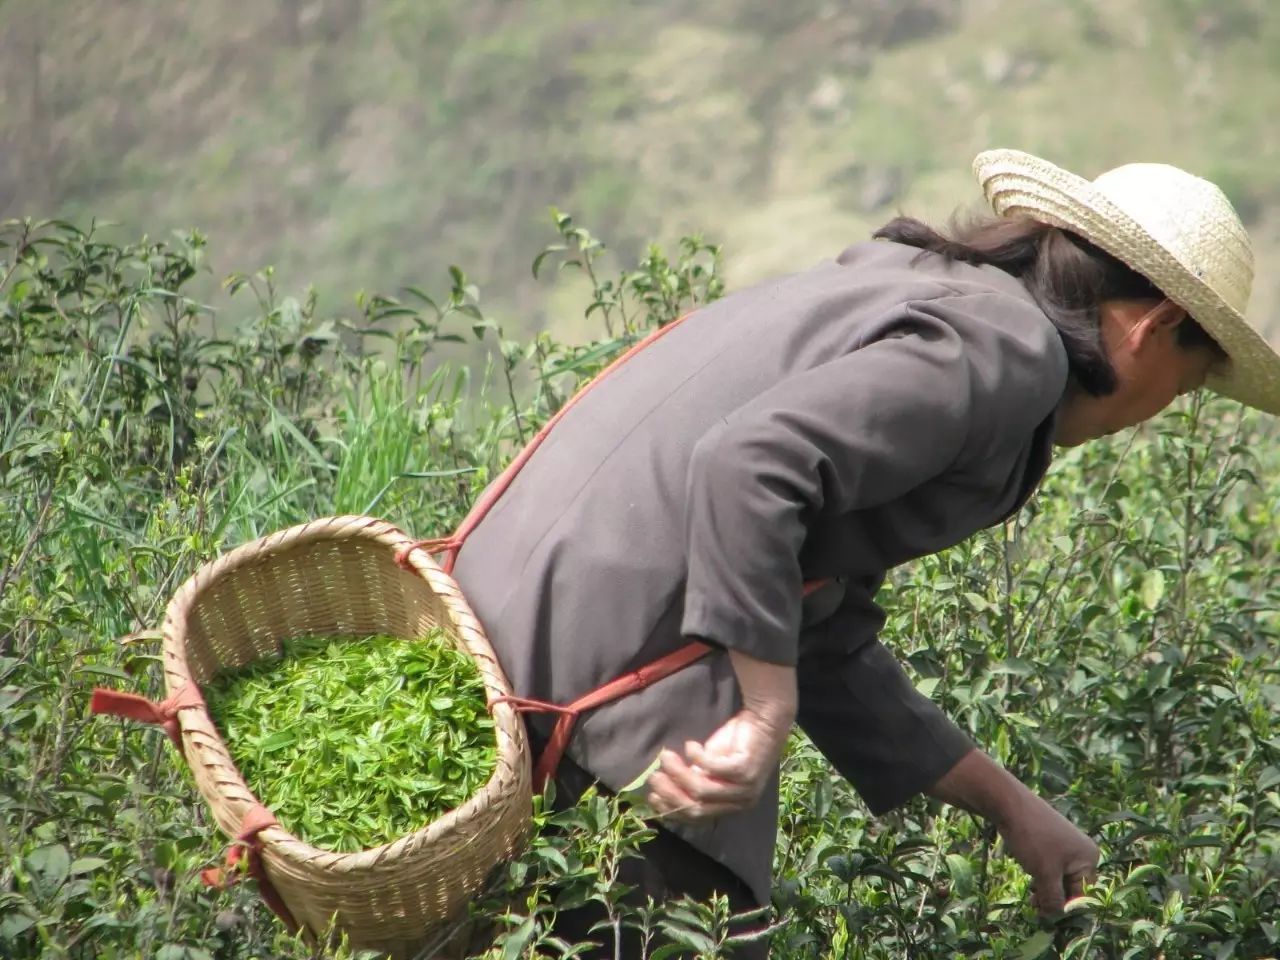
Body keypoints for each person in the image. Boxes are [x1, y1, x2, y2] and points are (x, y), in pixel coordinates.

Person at [449, 148, 1280, 957]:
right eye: (1188, 381)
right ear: (1156, 327)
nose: (1165, 408)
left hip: (481, 635)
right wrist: (765, 711)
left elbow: (815, 624)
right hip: (588, 700)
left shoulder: (922, 289)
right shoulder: (1010, 354)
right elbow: (751, 466)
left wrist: (1011, 808)